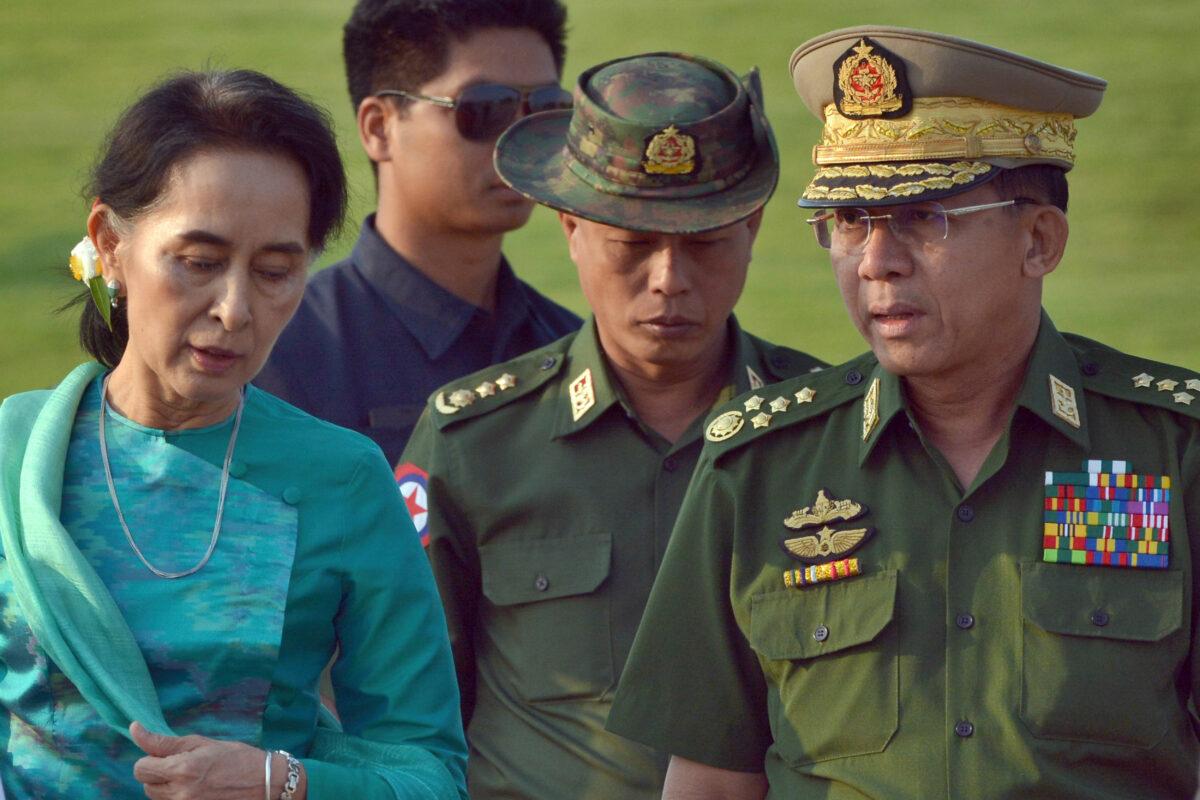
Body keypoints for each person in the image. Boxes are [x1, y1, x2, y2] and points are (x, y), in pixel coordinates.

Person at [607, 26, 1200, 799]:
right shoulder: (758, 466)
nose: (875, 261)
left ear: (1039, 241)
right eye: (848, 221)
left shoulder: (1171, 453)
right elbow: (711, 782)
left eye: (924, 217)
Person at [0, 69, 467, 799]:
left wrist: (283, 783)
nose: (235, 308)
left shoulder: (340, 479)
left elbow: (430, 775)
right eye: (200, 262)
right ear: (110, 245)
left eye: (276, 270)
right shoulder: (15, 457)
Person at [400, 52, 827, 799]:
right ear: (571, 227)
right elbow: (410, 705)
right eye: (633, 245)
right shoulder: (472, 444)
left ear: (753, 227)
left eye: (704, 242)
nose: (669, 279)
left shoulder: (828, 432)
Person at [255, 0, 581, 471]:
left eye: (547, 109)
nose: (520, 139)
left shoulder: (573, 348)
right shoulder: (277, 353)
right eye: (485, 109)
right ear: (380, 127)